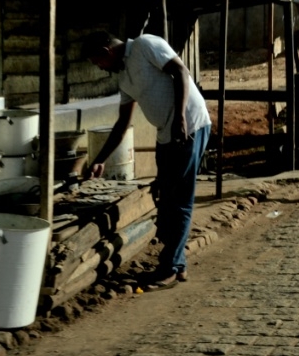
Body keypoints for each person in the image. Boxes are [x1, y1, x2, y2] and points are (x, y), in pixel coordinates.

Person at [84, 30, 212, 289]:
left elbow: (180, 71)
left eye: (100, 62)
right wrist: (100, 159)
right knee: (165, 194)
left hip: (190, 125)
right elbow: (122, 124)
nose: (101, 68)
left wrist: (180, 118)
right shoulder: (124, 78)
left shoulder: (145, 45)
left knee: (179, 198)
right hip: (165, 133)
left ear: (107, 51)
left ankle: (169, 268)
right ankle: (178, 264)